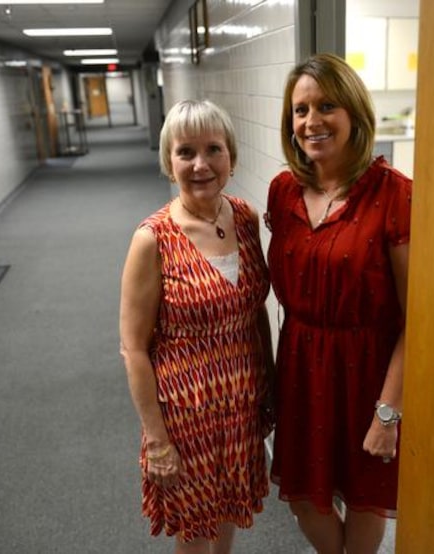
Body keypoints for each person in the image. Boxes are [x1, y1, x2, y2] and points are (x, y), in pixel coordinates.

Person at [265, 53, 412, 553]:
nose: (312, 121)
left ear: (353, 112)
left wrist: (388, 413)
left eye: (326, 105)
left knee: (366, 499)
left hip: (369, 372)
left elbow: (419, 321)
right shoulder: (283, 191)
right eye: (300, 110)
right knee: (306, 500)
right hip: (302, 366)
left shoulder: (395, 195)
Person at [119, 99, 275, 553]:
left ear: (232, 156)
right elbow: (132, 348)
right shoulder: (153, 238)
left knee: (226, 511)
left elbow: (255, 313)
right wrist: (156, 440)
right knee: (195, 530)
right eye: (186, 152)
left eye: (213, 149)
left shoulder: (244, 218)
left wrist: (271, 384)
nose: (201, 164)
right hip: (186, 412)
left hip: (241, 401)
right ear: (170, 161)